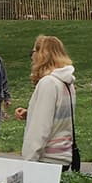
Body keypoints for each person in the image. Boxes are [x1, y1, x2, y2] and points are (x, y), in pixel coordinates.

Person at [15, 35, 76, 164]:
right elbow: (57, 116)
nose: (32, 57)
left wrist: (29, 159)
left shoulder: (48, 83)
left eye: (33, 52)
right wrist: (31, 113)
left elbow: (41, 128)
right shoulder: (67, 82)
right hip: (63, 154)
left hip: (47, 159)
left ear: (41, 54)